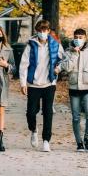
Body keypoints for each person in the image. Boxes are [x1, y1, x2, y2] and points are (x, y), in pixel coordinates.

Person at [18, 20, 64, 152]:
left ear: (48, 31)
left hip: (49, 83)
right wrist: (23, 83)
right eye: (40, 30)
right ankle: (34, 130)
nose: (42, 33)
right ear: (36, 31)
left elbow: (63, 59)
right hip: (34, 84)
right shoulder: (31, 46)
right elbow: (23, 65)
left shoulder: (55, 45)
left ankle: (46, 140)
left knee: (48, 112)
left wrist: (58, 69)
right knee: (31, 112)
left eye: (45, 30)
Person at [63, 28, 88, 152]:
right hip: (74, 88)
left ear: (85, 38)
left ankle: (87, 139)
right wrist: (74, 54)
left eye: (80, 37)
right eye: (76, 37)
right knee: (76, 117)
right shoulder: (67, 52)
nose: (78, 40)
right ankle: (79, 142)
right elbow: (66, 68)